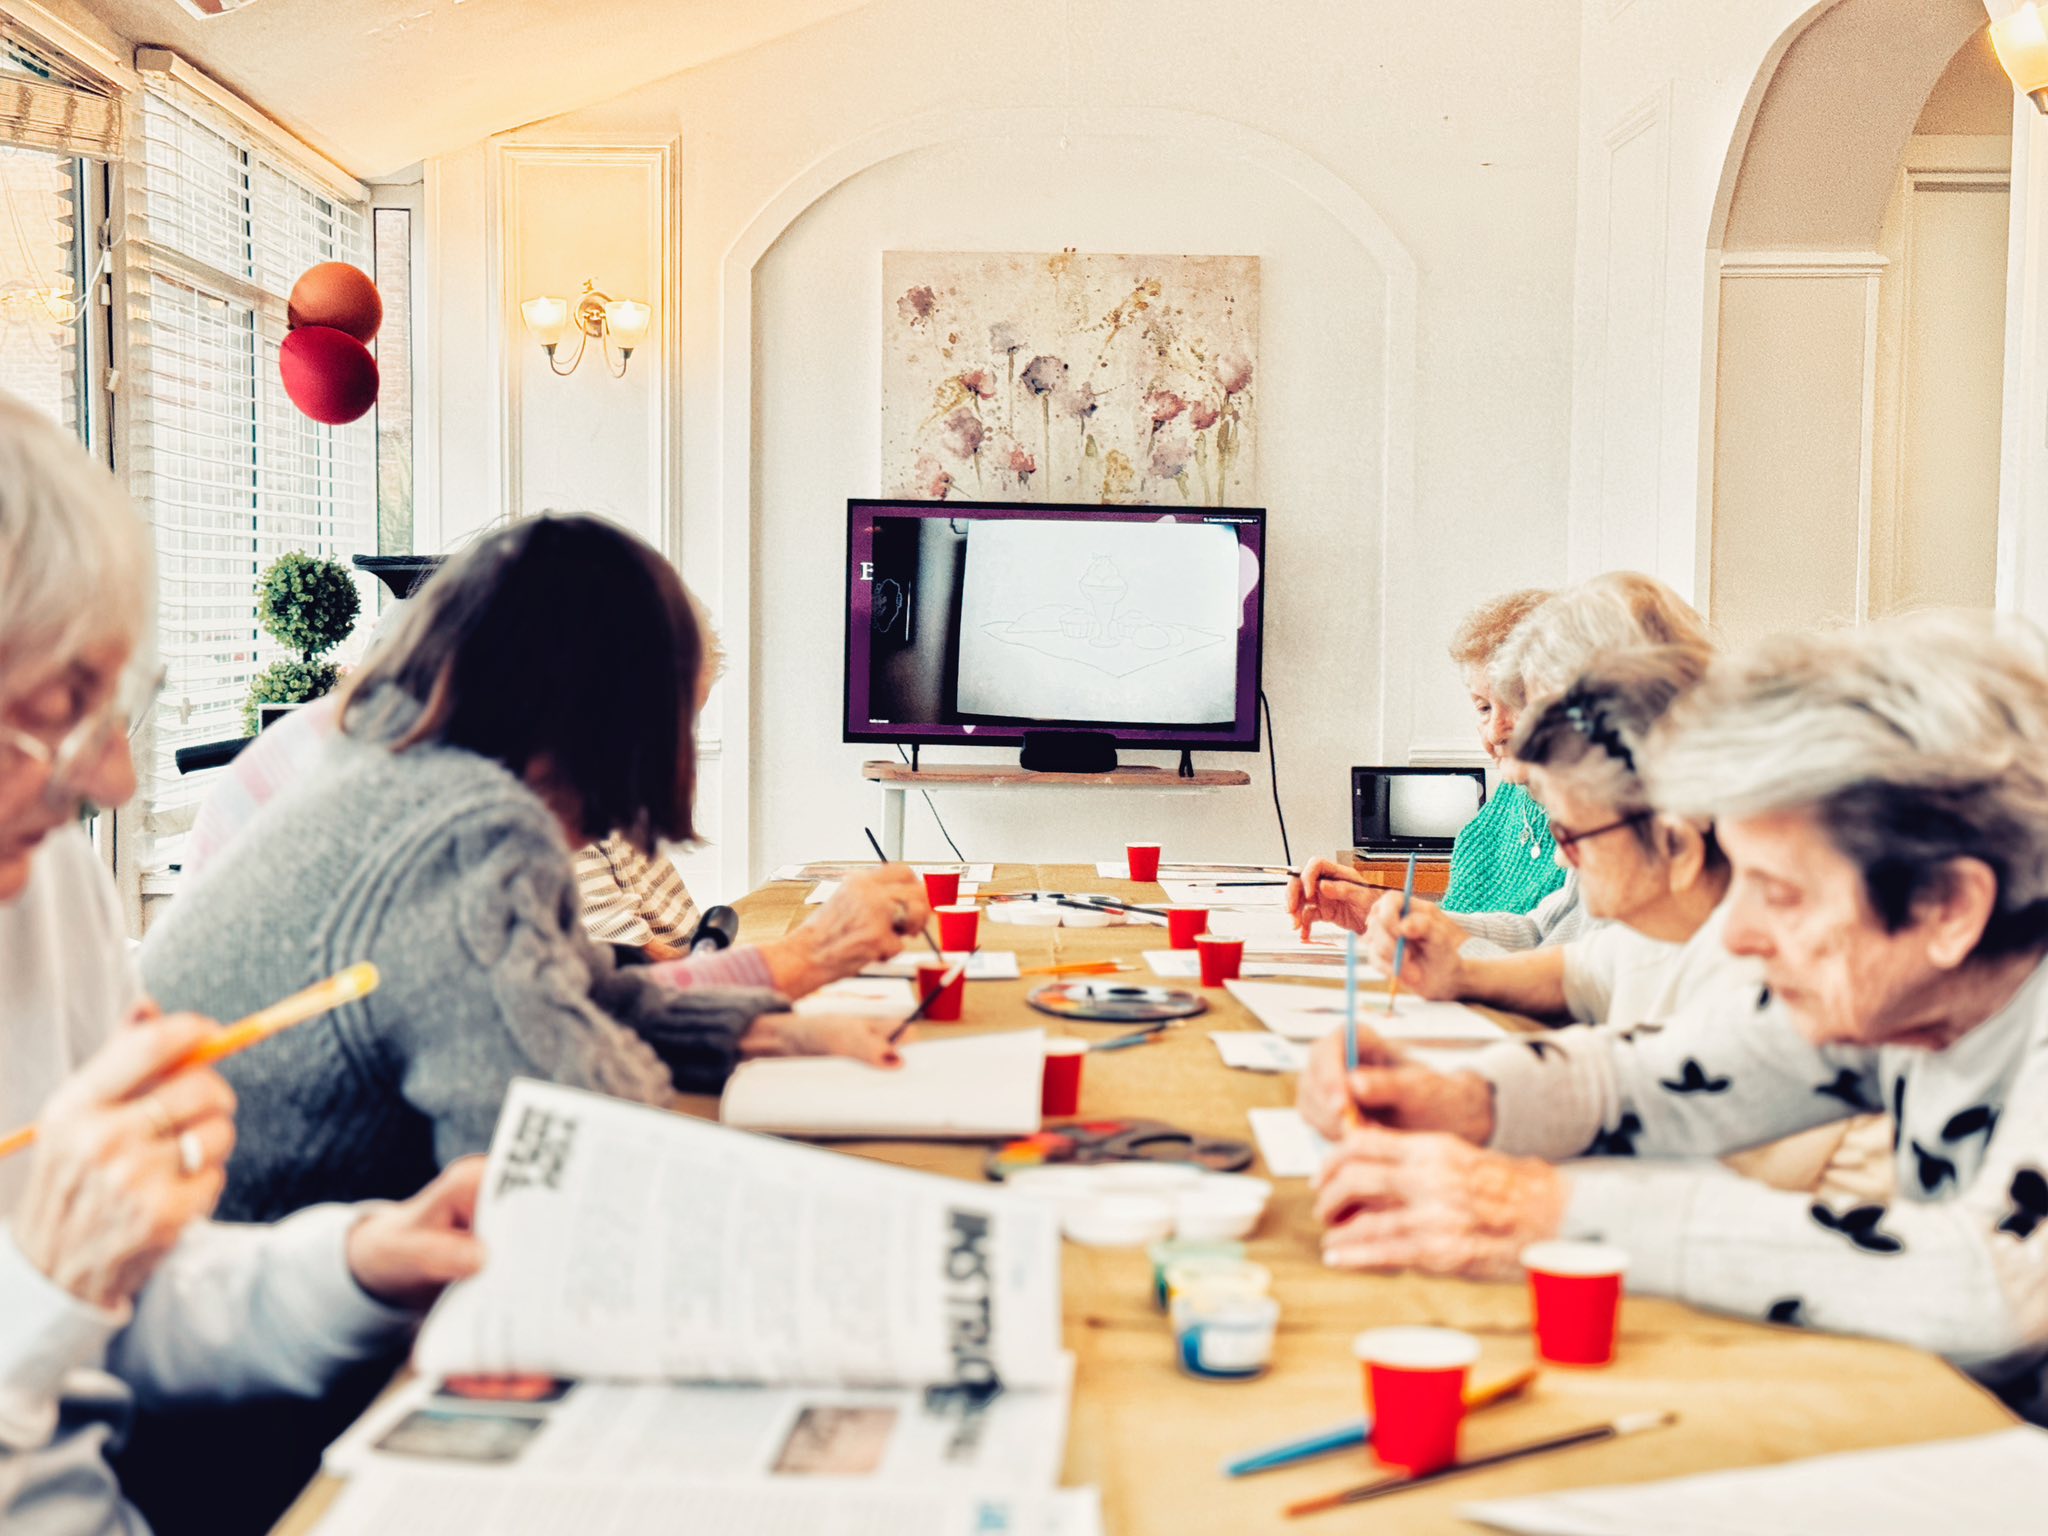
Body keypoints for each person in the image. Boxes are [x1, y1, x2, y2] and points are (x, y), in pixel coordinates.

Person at [1298, 612, 2048, 1419]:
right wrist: (1464, 1098)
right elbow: (1654, 1077)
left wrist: (1551, 1211)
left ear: (1946, 905)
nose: (1740, 932)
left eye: (1782, 893)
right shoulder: (1910, 989)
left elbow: (1998, 1284)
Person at [140, 514, 923, 1226]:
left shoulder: (385, 761)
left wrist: (753, 1030)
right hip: (277, 1277)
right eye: (669, 727)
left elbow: (567, 990)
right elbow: (570, 1132)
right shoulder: (467, 832)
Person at [0, 391, 483, 1533]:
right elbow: (59, 1302)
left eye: (115, 708)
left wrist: (354, 1265)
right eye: (55, 709)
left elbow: (124, 1300)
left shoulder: (46, 879)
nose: (113, 782)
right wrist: (47, 1291)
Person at [185, 591, 922, 1000]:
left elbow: (602, 976)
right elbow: (572, 1012)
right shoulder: (446, 792)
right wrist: (809, 957)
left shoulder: (444, 738)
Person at [1289, 570, 1711, 953]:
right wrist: (1384, 912)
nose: (1497, 731)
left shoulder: (1657, 822)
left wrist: (1456, 965)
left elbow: (1571, 978)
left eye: (1525, 706)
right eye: (1484, 707)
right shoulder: (1589, 801)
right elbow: (1543, 935)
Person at [1436, 589, 1567, 918]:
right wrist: (1370, 909)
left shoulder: (1607, 817)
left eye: (1515, 703)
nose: (1495, 731)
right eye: (1484, 707)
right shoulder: (1508, 799)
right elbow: (1455, 924)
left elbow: (1548, 940)